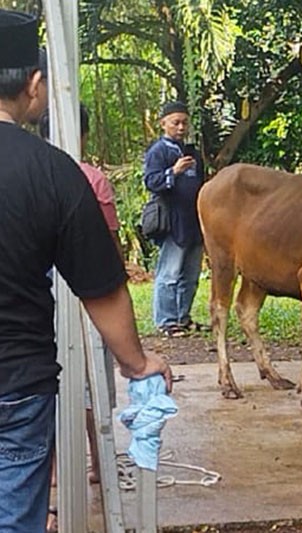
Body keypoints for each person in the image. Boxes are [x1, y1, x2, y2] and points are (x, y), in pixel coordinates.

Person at [0, 10, 172, 533]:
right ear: (34, 84)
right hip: (17, 384)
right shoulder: (53, 171)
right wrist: (137, 362)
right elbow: (100, 286)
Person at [40, 104, 123, 487]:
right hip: (88, 288)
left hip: (40, 293)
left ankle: (53, 469)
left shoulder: (27, 172)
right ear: (83, 134)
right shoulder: (91, 178)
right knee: (94, 381)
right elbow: (108, 240)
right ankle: (97, 462)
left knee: (46, 380)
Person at [143, 101, 206, 337]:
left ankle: (183, 318)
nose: (181, 127)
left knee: (190, 275)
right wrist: (173, 172)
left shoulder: (192, 152)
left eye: (184, 123)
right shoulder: (158, 151)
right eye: (175, 122)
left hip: (194, 221)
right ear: (163, 124)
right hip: (171, 220)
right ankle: (167, 321)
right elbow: (151, 181)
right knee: (169, 274)